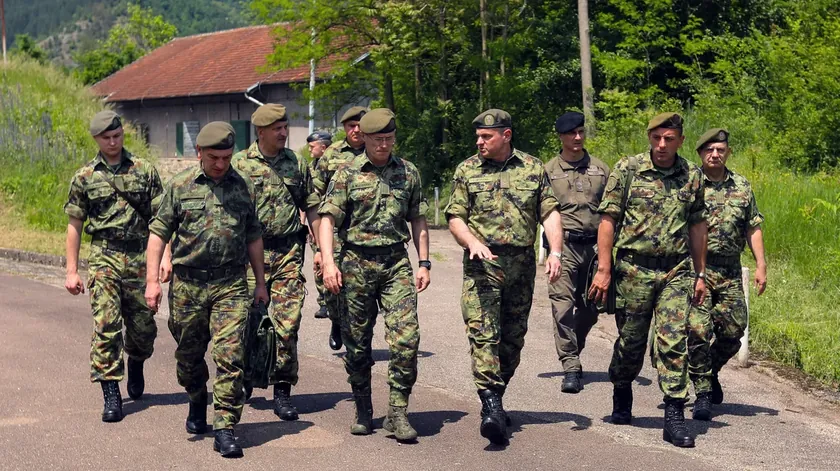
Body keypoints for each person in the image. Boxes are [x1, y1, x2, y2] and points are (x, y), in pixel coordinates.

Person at [144, 121, 269, 458]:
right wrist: (152, 281)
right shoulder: (179, 186)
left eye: (226, 157)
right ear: (199, 152)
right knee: (188, 357)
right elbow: (158, 234)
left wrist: (260, 283)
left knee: (231, 356)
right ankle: (197, 397)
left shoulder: (243, 186)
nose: (220, 164)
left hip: (231, 284)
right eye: (214, 157)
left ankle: (225, 427)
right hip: (188, 285)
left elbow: (253, 236)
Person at [445, 109, 564, 445]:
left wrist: (555, 252)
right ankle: (491, 405)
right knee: (484, 335)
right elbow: (455, 217)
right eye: (478, 136)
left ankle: (496, 396)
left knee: (512, 339)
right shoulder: (467, 170)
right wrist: (472, 242)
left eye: (486, 136)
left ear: (506, 135)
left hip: (521, 266)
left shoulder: (532, 167)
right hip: (483, 265)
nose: (479, 142)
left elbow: (550, 212)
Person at [588, 112, 707, 448]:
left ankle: (674, 414)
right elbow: (608, 220)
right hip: (633, 270)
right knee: (631, 341)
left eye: (669, 139)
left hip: (675, 271)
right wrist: (604, 269)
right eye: (656, 138)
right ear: (649, 138)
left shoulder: (692, 175)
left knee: (673, 341)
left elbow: (698, 225)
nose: (662, 145)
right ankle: (622, 387)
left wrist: (700, 273)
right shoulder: (628, 169)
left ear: (681, 140)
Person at [319, 108, 430, 442]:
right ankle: (363, 407)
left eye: (389, 138)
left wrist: (424, 262)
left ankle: (397, 412)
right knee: (357, 344)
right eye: (378, 139)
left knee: (407, 339)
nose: (384, 145)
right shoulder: (347, 173)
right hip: (356, 263)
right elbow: (327, 219)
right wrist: (328, 263)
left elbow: (418, 218)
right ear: (364, 138)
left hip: (395, 263)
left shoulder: (408, 172)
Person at [63, 110, 163, 423]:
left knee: (143, 329)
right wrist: (71, 270)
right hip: (104, 255)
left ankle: (137, 360)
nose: (112, 142)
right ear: (96, 139)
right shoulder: (85, 177)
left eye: (117, 136)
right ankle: (110, 392)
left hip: (139, 256)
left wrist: (165, 257)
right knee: (106, 326)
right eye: (106, 137)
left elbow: (161, 220)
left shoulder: (144, 170)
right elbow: (75, 224)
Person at [231, 104, 321, 422]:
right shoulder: (239, 164)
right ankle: (244, 376)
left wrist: (322, 249)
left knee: (287, 325)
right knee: (245, 323)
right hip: (248, 256)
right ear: (261, 132)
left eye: (285, 127)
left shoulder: (296, 163)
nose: (284, 133)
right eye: (277, 129)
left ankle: (282, 390)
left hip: (287, 254)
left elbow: (311, 205)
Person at [687, 128, 766, 420]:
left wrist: (761, 264)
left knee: (734, 331)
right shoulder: (690, 184)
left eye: (720, 150)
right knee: (698, 330)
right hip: (697, 269)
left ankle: (709, 371)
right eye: (709, 150)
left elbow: (752, 226)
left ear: (728, 153)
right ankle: (703, 393)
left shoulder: (742, 186)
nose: (715, 155)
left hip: (730, 269)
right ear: (700, 153)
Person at [543, 111, 610, 394]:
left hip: (595, 248)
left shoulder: (601, 169)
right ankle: (570, 365)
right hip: (564, 247)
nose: (578, 137)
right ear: (561, 136)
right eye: (572, 133)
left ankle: (574, 347)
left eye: (581, 132)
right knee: (562, 307)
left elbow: (613, 211)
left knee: (591, 309)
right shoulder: (548, 171)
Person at [313, 106, 368, 350]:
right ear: (344, 128)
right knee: (333, 284)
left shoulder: (376, 148)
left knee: (363, 286)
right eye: (351, 126)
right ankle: (336, 321)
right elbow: (316, 192)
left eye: (360, 125)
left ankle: (357, 335)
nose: (356, 130)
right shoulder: (332, 154)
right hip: (334, 229)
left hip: (365, 228)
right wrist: (315, 234)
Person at [306, 130, 333, 320]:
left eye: (312, 147)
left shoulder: (335, 166)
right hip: (315, 221)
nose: (309, 151)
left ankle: (335, 300)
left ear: (323, 148)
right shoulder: (309, 168)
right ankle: (323, 300)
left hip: (331, 222)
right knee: (318, 260)